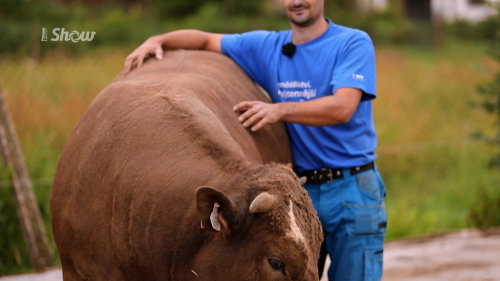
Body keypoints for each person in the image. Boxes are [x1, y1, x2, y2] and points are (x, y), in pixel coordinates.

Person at [124, 0, 387, 280]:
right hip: (298, 196)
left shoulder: (351, 42)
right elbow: (204, 39)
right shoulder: (268, 47)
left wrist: (278, 110)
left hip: (351, 188)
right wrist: (157, 39)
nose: (298, 2)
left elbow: (343, 108)